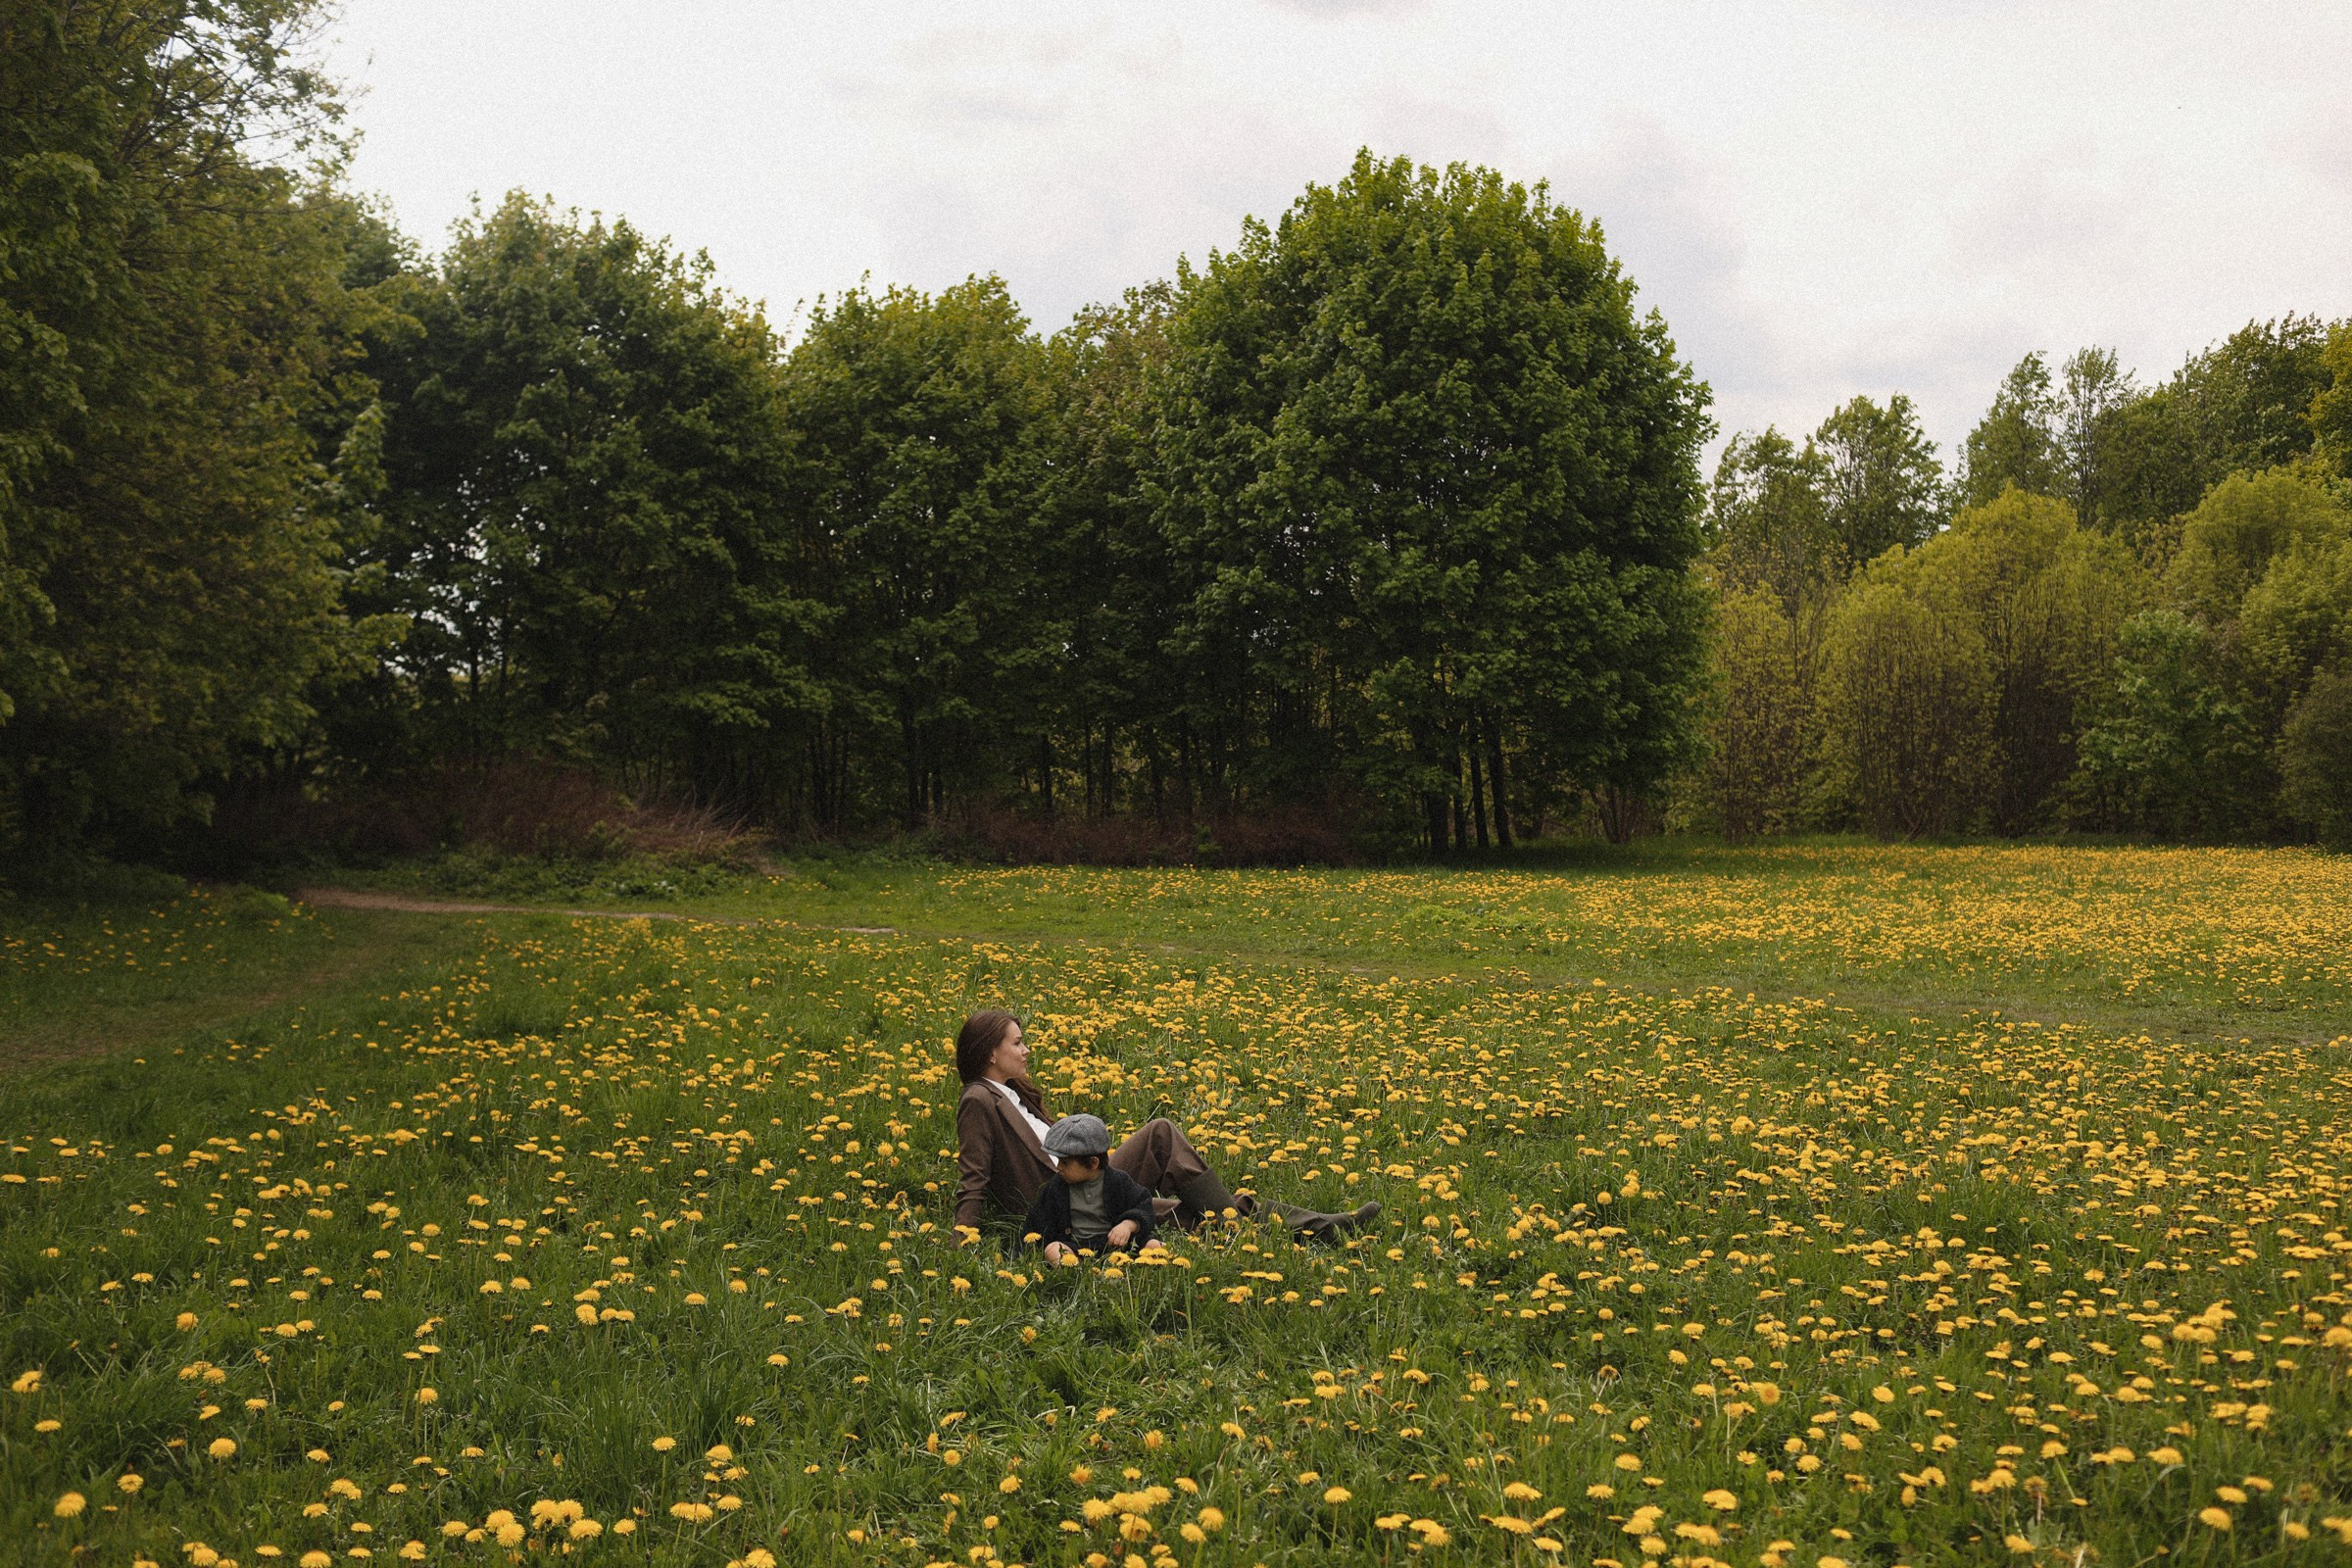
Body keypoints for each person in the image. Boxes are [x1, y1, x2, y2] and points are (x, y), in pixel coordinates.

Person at [952, 1008, 1379, 1243]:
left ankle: (1325, 1225)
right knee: (1161, 1135)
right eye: (1017, 1042)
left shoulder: (1013, 1091)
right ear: (991, 1053)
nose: (1026, 1050)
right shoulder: (979, 1099)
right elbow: (974, 1179)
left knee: (1192, 1215)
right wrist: (960, 1245)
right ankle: (1237, 1221)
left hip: (1089, 1184)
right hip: (1063, 1200)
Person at [1024, 1113, 1162, 1263]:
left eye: (1065, 1163)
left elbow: (1143, 1206)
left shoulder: (1118, 1181)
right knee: (1053, 1250)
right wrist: (1023, 1250)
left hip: (1116, 1245)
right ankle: (1074, 1274)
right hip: (1077, 1248)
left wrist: (1128, 1225)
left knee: (1153, 1245)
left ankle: (1151, 1270)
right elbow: (1037, 1221)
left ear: (1093, 1163)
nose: (1058, 1167)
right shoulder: (1057, 1187)